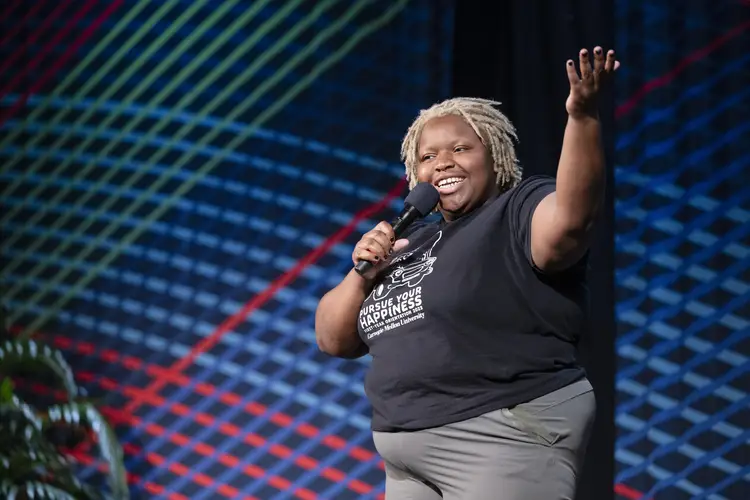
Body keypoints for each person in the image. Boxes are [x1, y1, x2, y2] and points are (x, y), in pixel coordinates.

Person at [315, 46, 619, 499]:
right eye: (428, 156)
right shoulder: (410, 241)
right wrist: (362, 273)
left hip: (499, 435)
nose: (442, 163)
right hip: (404, 456)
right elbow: (333, 340)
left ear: (494, 155)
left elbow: (572, 221)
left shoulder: (516, 208)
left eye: (461, 148)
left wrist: (582, 117)